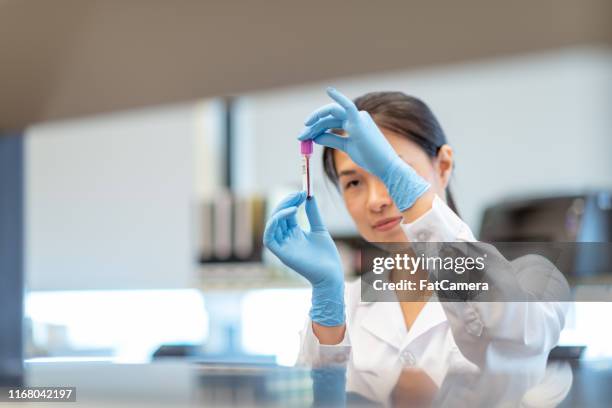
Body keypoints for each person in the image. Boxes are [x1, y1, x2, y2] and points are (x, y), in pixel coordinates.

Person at [263, 88, 569, 406]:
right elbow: (319, 399)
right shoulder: (347, 305)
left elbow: (511, 336)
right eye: (354, 182)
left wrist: (409, 191)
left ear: (444, 165)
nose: (376, 200)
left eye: (391, 171)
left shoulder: (535, 279)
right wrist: (327, 297)